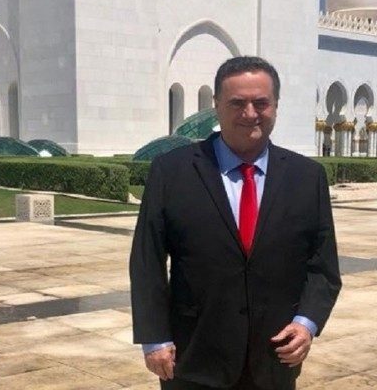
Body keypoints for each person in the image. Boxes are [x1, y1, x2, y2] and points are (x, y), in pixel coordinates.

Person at [130, 56, 342, 390]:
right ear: (216, 105)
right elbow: (147, 261)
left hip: (274, 357)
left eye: (261, 103)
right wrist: (154, 337)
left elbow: (323, 266)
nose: (250, 113)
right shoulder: (171, 171)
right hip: (193, 356)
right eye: (237, 103)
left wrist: (307, 323)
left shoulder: (307, 177)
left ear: (276, 105)